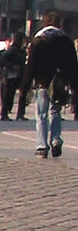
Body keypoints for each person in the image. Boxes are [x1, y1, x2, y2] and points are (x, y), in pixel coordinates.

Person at [23, 11, 78, 158]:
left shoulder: (38, 40)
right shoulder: (66, 41)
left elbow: (30, 65)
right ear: (58, 24)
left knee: (41, 114)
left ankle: (41, 146)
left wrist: (26, 85)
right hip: (60, 83)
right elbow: (73, 65)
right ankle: (55, 139)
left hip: (42, 83)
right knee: (55, 111)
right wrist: (73, 84)